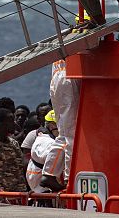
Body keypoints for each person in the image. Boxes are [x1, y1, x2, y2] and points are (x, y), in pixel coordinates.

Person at [42, 59, 80, 190]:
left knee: (63, 133)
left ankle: (49, 172)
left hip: (57, 76)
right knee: (71, 134)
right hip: (68, 75)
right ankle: (70, 178)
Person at [27, 110, 59, 192]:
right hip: (42, 187)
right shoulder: (48, 142)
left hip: (37, 184)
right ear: (52, 126)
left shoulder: (43, 138)